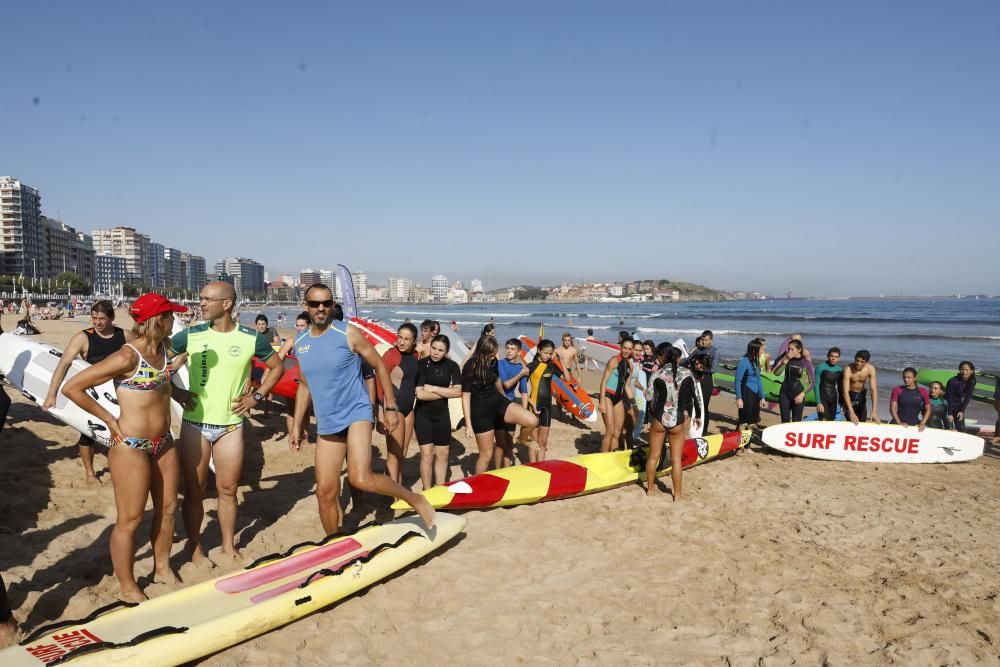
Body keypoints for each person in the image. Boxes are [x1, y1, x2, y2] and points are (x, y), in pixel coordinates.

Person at [62, 293, 187, 602]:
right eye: (171, 315)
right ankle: (128, 585)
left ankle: (162, 567)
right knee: (130, 520)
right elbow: (72, 387)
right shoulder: (127, 357)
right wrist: (109, 419)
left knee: (169, 509)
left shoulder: (164, 348)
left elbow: (158, 385)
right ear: (160, 320)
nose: (176, 320)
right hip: (131, 445)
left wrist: (179, 380)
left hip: (164, 442)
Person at [290, 284, 434, 531]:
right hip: (327, 421)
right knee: (324, 492)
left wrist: (389, 406)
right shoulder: (300, 341)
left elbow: (378, 365)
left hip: (356, 413)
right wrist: (296, 425)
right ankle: (334, 544)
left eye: (326, 303)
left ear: (333, 305)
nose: (321, 308)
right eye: (315, 304)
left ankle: (414, 499)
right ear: (306, 307)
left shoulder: (347, 332)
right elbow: (304, 385)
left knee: (360, 477)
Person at [169, 281, 285, 564]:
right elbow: (157, 364)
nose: (202, 304)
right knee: (194, 491)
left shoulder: (250, 338)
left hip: (231, 426)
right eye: (201, 298)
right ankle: (194, 546)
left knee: (228, 490)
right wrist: (177, 392)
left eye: (208, 299)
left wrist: (256, 397)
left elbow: (277, 367)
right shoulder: (190, 335)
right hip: (195, 424)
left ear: (227, 304)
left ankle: (227, 544)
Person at [41, 300, 127, 483]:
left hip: (119, 392)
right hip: (92, 393)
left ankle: (118, 469)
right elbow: (63, 364)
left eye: (102, 319)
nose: (97, 323)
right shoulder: (83, 337)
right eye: (94, 318)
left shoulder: (124, 336)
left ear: (112, 318)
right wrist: (51, 394)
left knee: (120, 431)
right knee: (88, 432)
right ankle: (89, 473)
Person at [461, 335, 538, 474]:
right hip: (480, 411)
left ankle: (522, 438)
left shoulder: (493, 362)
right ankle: (477, 486)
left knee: (532, 420)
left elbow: (496, 380)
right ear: (482, 352)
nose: (493, 357)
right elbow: (465, 396)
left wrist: (504, 398)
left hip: (497, 401)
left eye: (494, 354)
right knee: (486, 456)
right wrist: (469, 424)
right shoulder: (469, 367)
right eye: (490, 355)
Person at [643, 343, 700, 500]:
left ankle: (650, 489)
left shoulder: (657, 374)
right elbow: (693, 395)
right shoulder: (687, 373)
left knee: (653, 456)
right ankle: (677, 495)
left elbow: (648, 397)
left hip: (659, 419)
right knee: (676, 460)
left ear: (662, 357)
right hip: (678, 419)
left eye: (657, 356)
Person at [414, 334, 462, 489]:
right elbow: (420, 394)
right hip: (422, 414)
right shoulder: (421, 364)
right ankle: (427, 491)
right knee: (427, 454)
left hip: (442, 415)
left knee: (443, 454)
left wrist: (433, 388)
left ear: (446, 351)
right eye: (434, 348)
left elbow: (457, 392)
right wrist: (445, 392)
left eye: (440, 350)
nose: (436, 352)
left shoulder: (452, 366)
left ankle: (440, 490)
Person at [379, 322, 419, 484]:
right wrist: (383, 410)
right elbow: (378, 382)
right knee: (394, 454)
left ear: (414, 341)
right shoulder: (390, 355)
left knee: (402, 453)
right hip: (394, 409)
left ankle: (396, 486)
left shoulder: (416, 355)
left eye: (406, 339)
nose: (401, 342)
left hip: (409, 409)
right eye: (400, 337)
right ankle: (392, 496)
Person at [524, 339, 565, 462]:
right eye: (545, 353)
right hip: (534, 406)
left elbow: (566, 378)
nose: (548, 356)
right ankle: (532, 466)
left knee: (543, 441)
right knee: (533, 440)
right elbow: (523, 388)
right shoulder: (532, 365)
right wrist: (531, 403)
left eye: (550, 353)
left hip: (547, 406)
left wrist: (560, 360)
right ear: (538, 351)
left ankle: (540, 466)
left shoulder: (552, 366)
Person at [274, 311, 312, 442]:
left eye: (302, 325)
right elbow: (279, 357)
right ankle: (293, 436)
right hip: (291, 380)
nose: (299, 328)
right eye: (297, 325)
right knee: (291, 410)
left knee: (306, 409)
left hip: (307, 381)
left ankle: (304, 435)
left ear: (309, 326)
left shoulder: (314, 341)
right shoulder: (292, 340)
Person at [496, 339, 529, 467]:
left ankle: (506, 471)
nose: (509, 351)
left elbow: (524, 392)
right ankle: (497, 471)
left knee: (509, 442)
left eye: (512, 348)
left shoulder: (522, 368)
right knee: (500, 443)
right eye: (507, 348)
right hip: (498, 405)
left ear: (519, 352)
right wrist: (521, 373)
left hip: (512, 406)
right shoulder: (499, 364)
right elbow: (506, 384)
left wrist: (524, 411)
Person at [599, 337, 635, 452]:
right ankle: (602, 457)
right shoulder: (613, 361)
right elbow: (604, 381)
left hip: (619, 399)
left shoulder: (630, 366)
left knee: (617, 432)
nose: (626, 351)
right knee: (610, 431)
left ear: (632, 350)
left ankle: (612, 457)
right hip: (608, 396)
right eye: (624, 348)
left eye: (629, 349)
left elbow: (627, 386)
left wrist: (634, 404)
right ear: (620, 347)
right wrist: (602, 402)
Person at [772, 339, 813, 424]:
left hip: (798, 395)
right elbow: (776, 373)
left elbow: (813, 383)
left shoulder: (806, 363)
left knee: (796, 422)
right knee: (785, 420)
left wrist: (802, 394)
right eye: (788, 349)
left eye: (792, 349)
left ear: (799, 350)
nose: (789, 351)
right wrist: (785, 360)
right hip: (784, 393)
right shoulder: (787, 360)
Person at [735, 339, 766, 431]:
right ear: (753, 350)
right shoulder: (744, 361)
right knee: (744, 421)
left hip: (755, 395)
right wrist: (739, 398)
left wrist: (762, 396)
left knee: (752, 422)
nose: (763, 351)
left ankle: (747, 444)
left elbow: (758, 379)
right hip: (746, 393)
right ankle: (740, 444)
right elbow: (737, 380)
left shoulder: (755, 360)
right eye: (761, 350)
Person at [842, 350, 880, 424]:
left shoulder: (870, 369)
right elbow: (845, 392)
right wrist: (851, 412)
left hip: (861, 396)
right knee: (851, 421)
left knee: (862, 421)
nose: (858, 363)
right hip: (850, 396)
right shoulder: (848, 369)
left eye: (862, 361)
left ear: (866, 362)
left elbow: (873, 390)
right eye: (857, 360)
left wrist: (874, 410)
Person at [944, 361, 977, 431]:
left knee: (961, 429)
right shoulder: (952, 381)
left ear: (971, 371)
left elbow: (967, 397)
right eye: (962, 369)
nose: (964, 372)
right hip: (947, 406)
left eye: (966, 370)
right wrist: (949, 413)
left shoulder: (972, 381)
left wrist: (961, 411)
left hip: (958, 406)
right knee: (950, 429)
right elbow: (948, 398)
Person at [813, 347, 843, 421]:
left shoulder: (840, 369)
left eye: (836, 357)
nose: (833, 358)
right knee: (823, 421)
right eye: (832, 356)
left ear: (839, 358)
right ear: (828, 356)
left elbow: (840, 387)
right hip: (823, 398)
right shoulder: (820, 367)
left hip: (833, 398)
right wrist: (818, 403)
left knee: (831, 422)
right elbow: (816, 385)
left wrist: (841, 402)